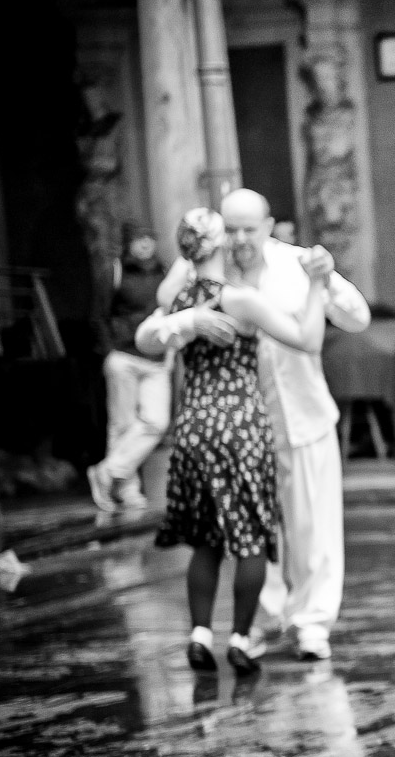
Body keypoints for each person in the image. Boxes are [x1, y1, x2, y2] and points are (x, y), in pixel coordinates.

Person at [154, 190, 371, 662]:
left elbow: (357, 318)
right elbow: (161, 308)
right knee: (250, 530)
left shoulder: (297, 263)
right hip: (243, 430)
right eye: (231, 229)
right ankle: (263, 620)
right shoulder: (207, 272)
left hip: (305, 415)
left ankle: (311, 625)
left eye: (249, 229)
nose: (239, 239)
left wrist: (325, 278)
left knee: (313, 531)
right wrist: (188, 315)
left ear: (268, 226)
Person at [136, 207, 327, 677]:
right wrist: (316, 287)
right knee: (251, 539)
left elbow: (144, 339)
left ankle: (200, 634)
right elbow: (307, 338)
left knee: (205, 540)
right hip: (240, 426)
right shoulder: (238, 299)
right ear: (220, 243)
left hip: (193, 426)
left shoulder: (179, 300)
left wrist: (186, 322)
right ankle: (241, 639)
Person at [88, 222, 170, 512]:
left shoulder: (165, 272)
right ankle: (127, 490)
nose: (145, 244)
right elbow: (97, 315)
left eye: (149, 238)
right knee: (122, 425)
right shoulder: (115, 271)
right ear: (128, 243)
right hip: (123, 355)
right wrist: (109, 351)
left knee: (156, 422)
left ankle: (107, 472)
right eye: (138, 239)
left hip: (156, 358)